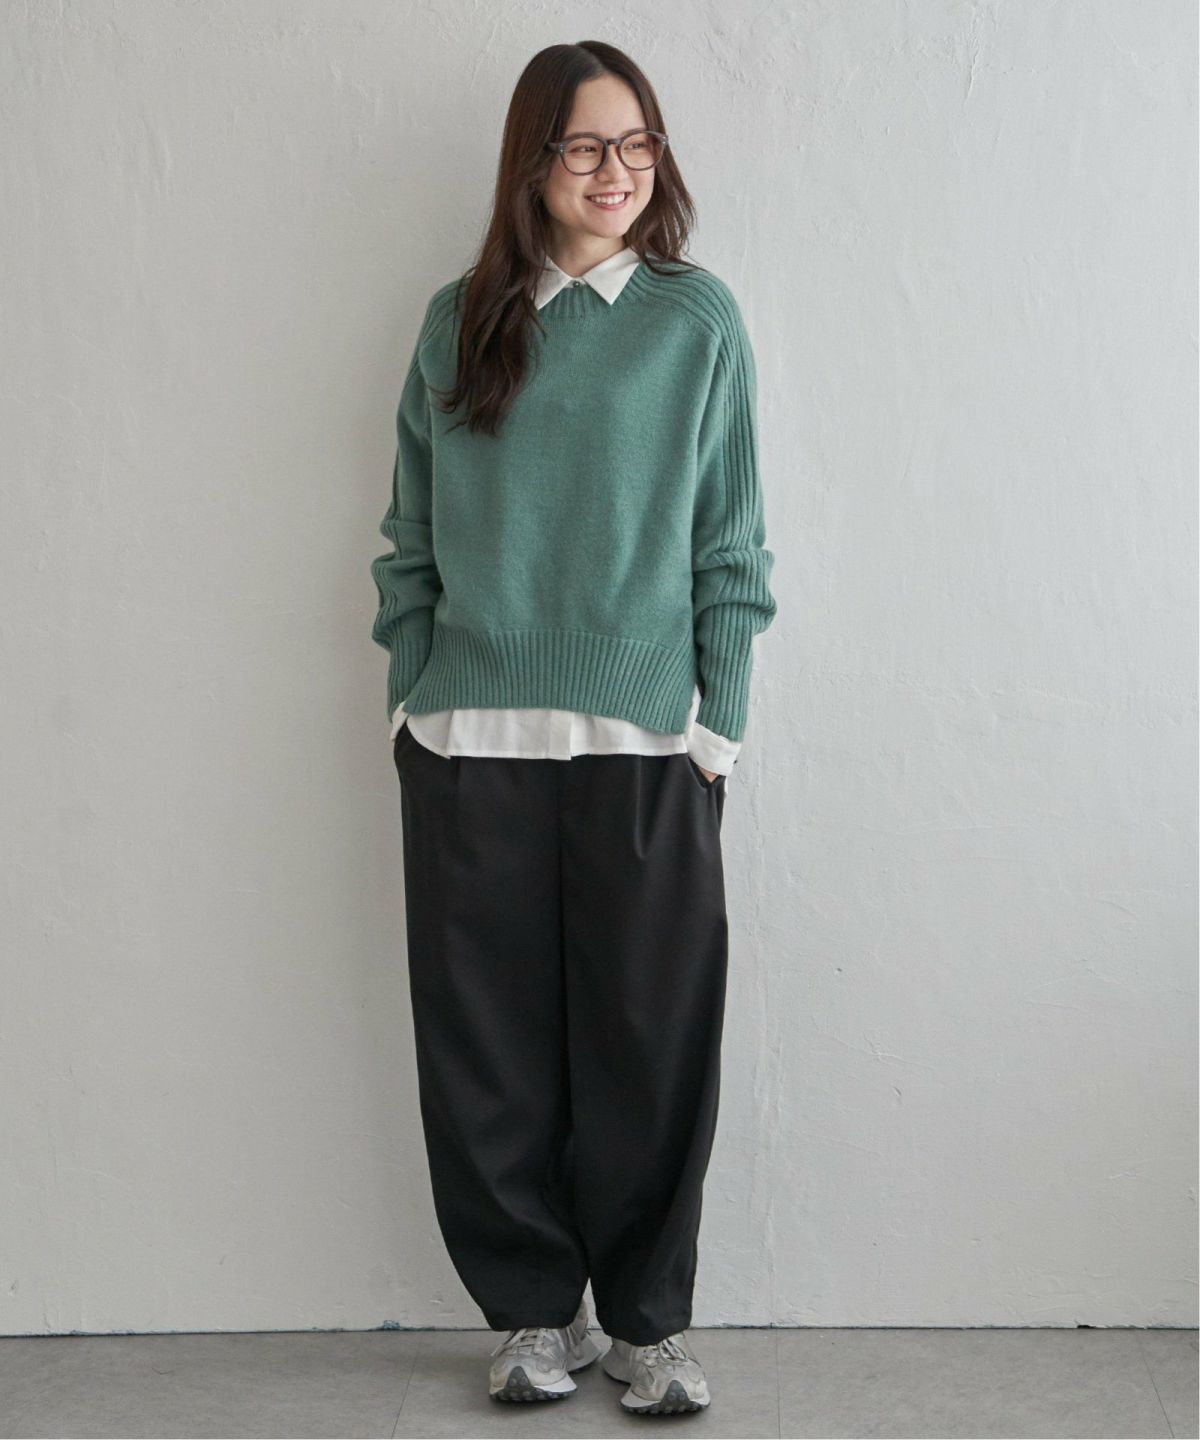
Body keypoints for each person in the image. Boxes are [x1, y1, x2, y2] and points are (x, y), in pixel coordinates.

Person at [370, 39, 777, 1417]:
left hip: (649, 746)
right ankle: (533, 1313)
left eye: (637, 143)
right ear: (532, 161)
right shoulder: (461, 319)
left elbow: (731, 537)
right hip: (466, 742)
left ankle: (648, 1326)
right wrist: (411, 695)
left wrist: (718, 724)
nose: (617, 171)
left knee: (651, 1044)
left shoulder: (695, 319)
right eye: (586, 146)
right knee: (482, 1048)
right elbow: (410, 532)